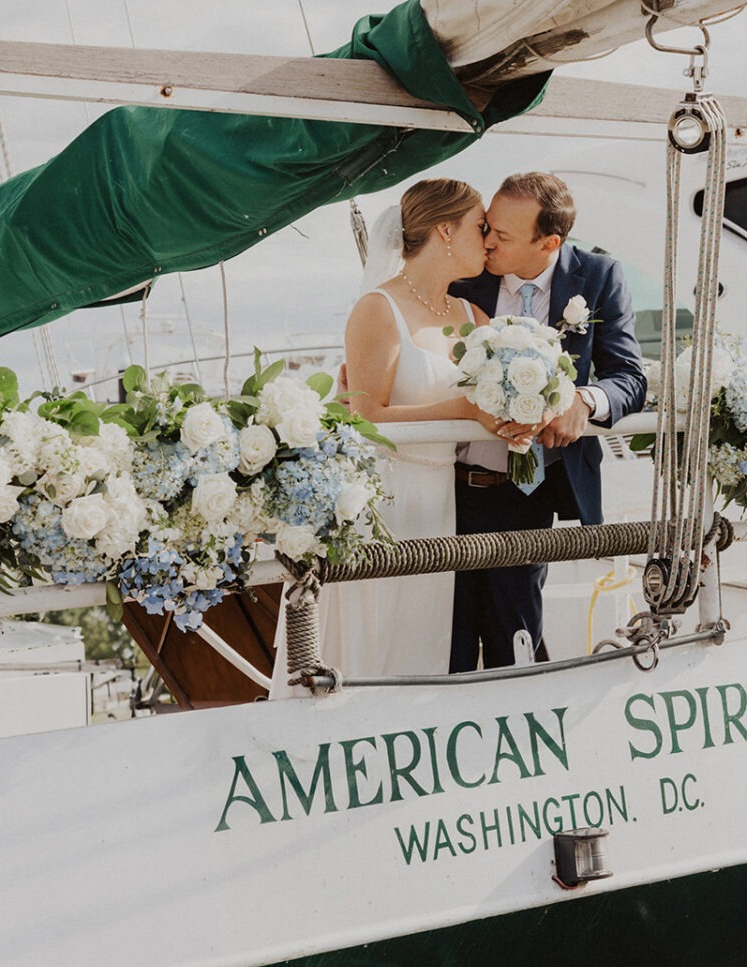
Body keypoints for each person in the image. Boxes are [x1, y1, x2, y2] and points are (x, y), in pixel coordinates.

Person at [270, 177, 516, 694]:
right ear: (445, 231)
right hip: (385, 498)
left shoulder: (474, 316)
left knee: (423, 645)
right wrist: (462, 409)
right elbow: (365, 419)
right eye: (480, 226)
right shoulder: (378, 310)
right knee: (376, 642)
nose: (489, 238)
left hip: (440, 502)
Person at [448, 171, 646, 672]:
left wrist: (583, 400)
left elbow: (629, 378)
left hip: (532, 486)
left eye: (502, 235)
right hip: (448, 485)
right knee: (447, 634)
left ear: (549, 242)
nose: (486, 241)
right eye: (487, 227)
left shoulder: (598, 277)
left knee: (513, 633)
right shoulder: (462, 276)